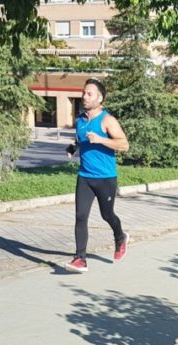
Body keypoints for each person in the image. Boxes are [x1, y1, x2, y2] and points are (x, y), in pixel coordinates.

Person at [64, 78, 130, 273]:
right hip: (84, 176)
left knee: (106, 214)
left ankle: (120, 237)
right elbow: (79, 140)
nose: (84, 96)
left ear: (100, 98)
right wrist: (72, 148)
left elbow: (124, 145)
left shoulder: (107, 120)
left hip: (105, 178)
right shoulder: (81, 120)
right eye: (84, 93)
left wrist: (101, 139)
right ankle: (80, 259)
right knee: (80, 216)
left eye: (89, 93)